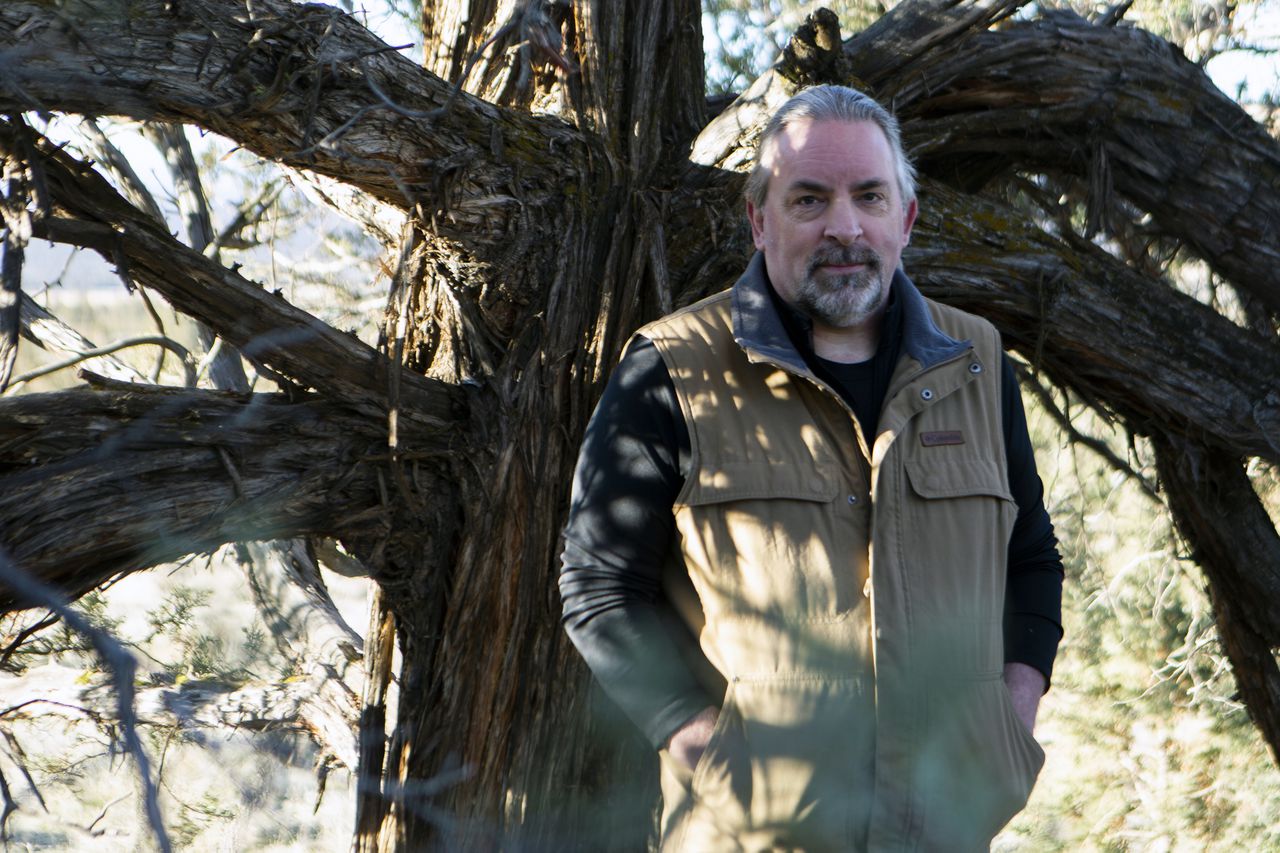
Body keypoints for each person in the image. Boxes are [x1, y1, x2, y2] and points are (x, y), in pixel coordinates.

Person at [560, 85, 1063, 852]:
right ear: (760, 220)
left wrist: (1009, 728)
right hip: (753, 836)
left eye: (869, 196)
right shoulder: (673, 366)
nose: (844, 226)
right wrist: (712, 755)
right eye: (808, 199)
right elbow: (599, 586)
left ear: (906, 218)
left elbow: (1029, 559)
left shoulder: (979, 362)